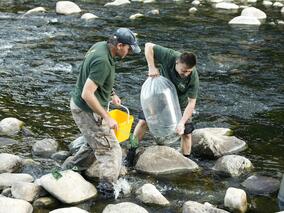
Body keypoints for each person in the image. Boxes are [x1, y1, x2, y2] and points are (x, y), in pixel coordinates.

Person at [67, 28, 141, 198]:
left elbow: (94, 76)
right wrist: (107, 117)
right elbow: (87, 94)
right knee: (111, 149)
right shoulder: (103, 61)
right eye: (129, 49)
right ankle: (106, 190)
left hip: (80, 104)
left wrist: (112, 93)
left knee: (94, 144)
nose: (129, 52)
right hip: (86, 110)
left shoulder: (101, 46)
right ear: (120, 45)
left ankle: (69, 170)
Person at [133, 42, 199, 158]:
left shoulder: (193, 77)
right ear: (177, 62)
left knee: (187, 133)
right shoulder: (169, 56)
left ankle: (186, 160)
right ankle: (131, 150)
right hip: (160, 95)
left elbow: (191, 102)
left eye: (189, 71)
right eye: (184, 71)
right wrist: (151, 67)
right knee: (143, 122)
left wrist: (182, 123)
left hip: (180, 102)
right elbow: (148, 46)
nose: (186, 74)